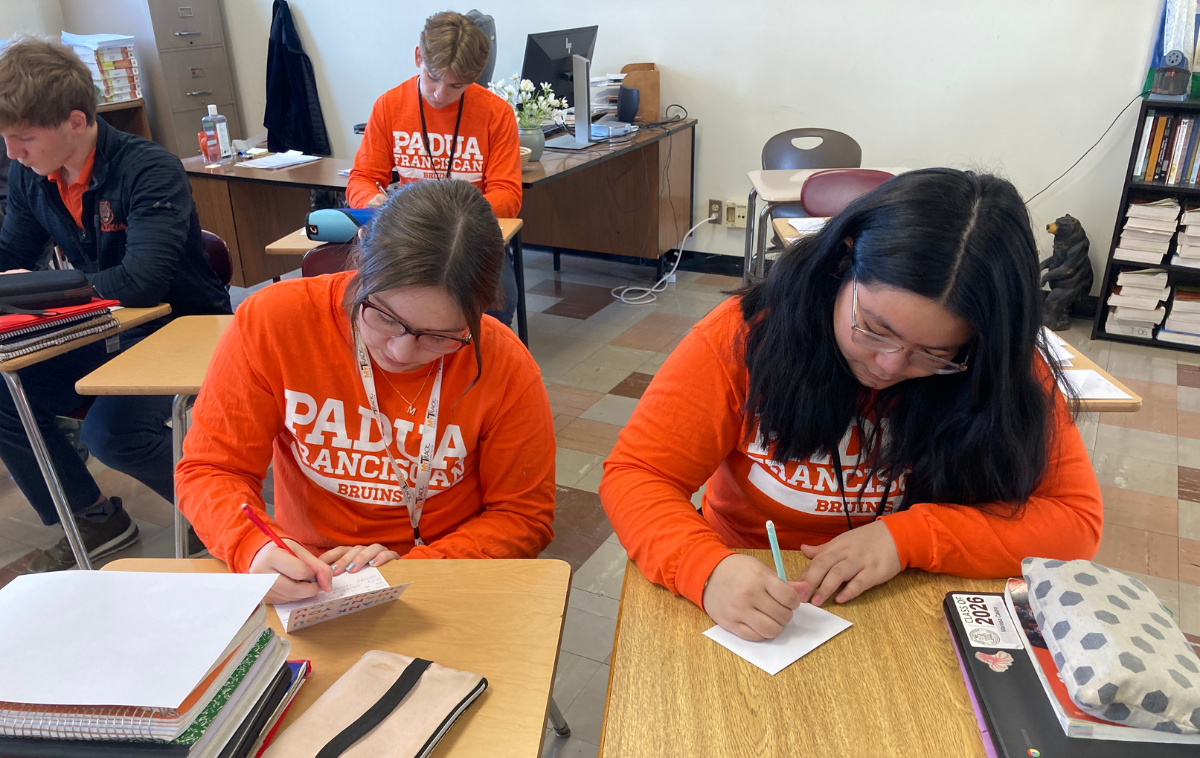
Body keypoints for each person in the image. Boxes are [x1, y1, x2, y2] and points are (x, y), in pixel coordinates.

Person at [600, 168, 1104, 642]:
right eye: (874, 330)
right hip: (753, 583)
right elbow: (638, 475)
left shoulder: (1003, 368)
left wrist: (908, 538)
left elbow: (1075, 524)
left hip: (914, 593)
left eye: (935, 354)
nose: (887, 366)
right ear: (843, 262)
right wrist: (704, 568)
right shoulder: (744, 337)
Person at [176, 180, 555, 604]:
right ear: (361, 257)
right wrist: (252, 545)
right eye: (384, 317)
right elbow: (211, 469)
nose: (401, 350)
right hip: (305, 575)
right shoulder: (274, 322)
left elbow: (523, 517)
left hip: (443, 571)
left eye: (440, 336)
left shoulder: (503, 363)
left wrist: (414, 567)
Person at [0, 37, 231, 572]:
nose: (12, 153)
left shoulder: (149, 167)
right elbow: (11, 254)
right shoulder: (32, 175)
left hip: (185, 326)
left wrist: (42, 289)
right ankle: (95, 518)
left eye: (23, 138)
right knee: (5, 387)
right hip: (104, 326)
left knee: (113, 434)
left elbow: (143, 282)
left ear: (75, 121)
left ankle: (217, 515)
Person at [347, 11, 521, 326]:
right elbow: (362, 179)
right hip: (409, 238)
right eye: (433, 78)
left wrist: (458, 215)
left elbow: (507, 195)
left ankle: (478, 370)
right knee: (371, 300)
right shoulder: (389, 106)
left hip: (468, 238)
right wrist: (370, 199)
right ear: (418, 57)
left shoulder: (497, 114)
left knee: (498, 303)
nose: (440, 95)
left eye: (456, 86)